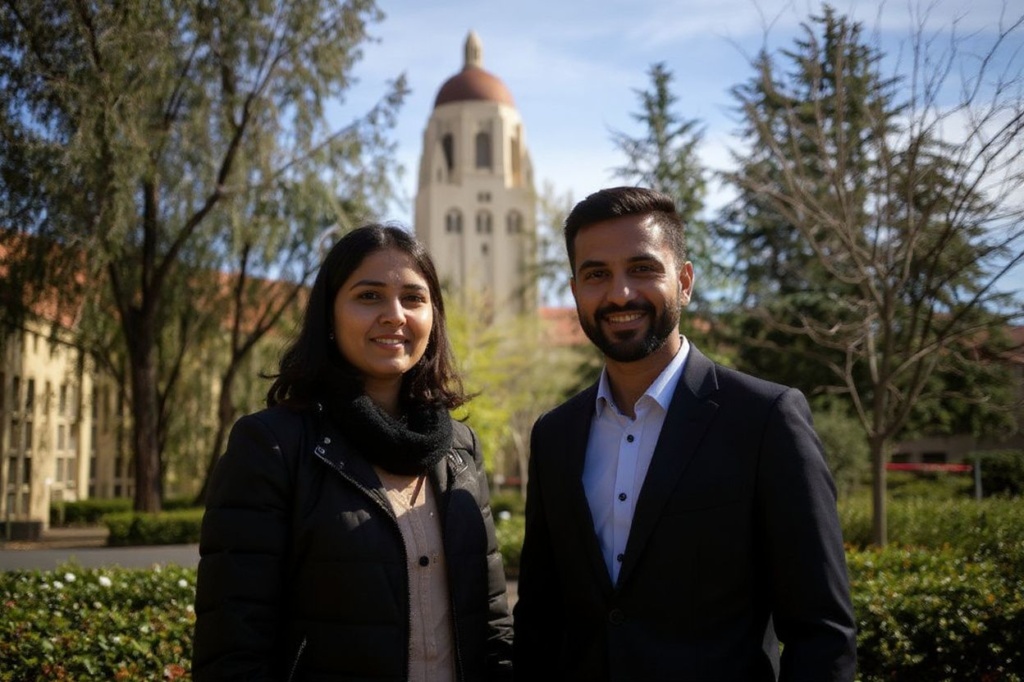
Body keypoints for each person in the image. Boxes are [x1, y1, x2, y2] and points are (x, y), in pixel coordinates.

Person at [512, 187, 857, 681]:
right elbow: (541, 620)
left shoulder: (765, 419)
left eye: (643, 268)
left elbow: (822, 632)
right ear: (575, 291)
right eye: (596, 275)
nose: (620, 293)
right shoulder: (554, 435)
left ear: (685, 281)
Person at [192, 223, 513, 681]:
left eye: (414, 298)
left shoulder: (460, 451)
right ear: (329, 314)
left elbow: (493, 625)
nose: (394, 314)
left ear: (434, 318)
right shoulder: (272, 446)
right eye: (369, 296)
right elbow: (232, 643)